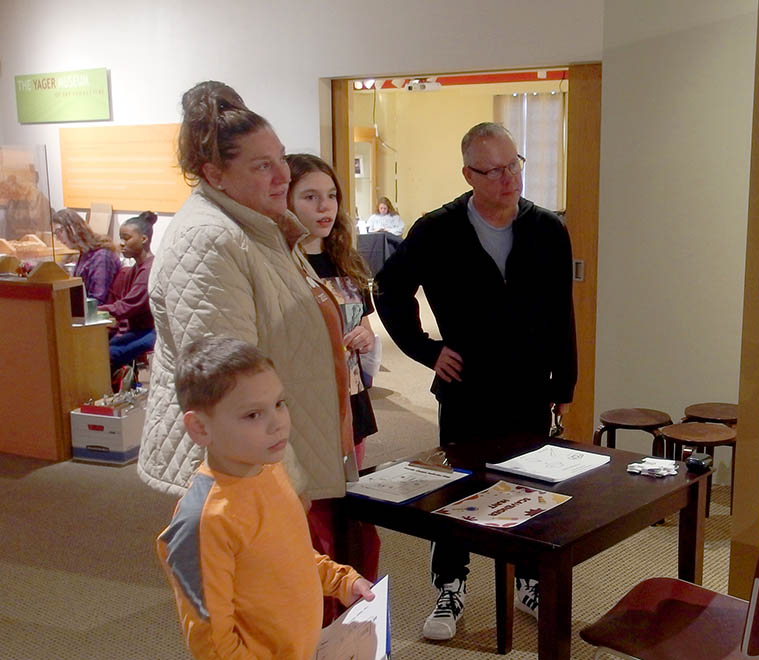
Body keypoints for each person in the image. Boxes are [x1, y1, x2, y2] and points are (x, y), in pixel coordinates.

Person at [375, 121, 576, 641]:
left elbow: (561, 312)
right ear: (468, 174)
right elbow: (390, 289)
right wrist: (426, 350)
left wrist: (565, 385)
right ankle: (451, 584)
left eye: (514, 165)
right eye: (493, 171)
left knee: (531, 485)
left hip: (531, 385)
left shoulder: (547, 229)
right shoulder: (437, 230)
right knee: (459, 486)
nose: (509, 179)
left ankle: (527, 578)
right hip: (467, 385)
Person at [141, 81, 355, 522]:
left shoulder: (260, 228)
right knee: (261, 588)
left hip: (272, 453)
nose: (283, 176)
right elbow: (235, 389)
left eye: (281, 158)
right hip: (248, 475)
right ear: (214, 173)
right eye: (263, 166)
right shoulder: (209, 240)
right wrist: (286, 485)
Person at [156, 336, 374, 659]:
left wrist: (341, 581)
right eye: (253, 415)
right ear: (201, 428)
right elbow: (213, 643)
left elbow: (292, 557)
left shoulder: (269, 469)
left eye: (279, 403)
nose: (278, 423)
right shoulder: (203, 521)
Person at [286, 152, 382, 621]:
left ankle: (355, 610)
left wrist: (366, 336)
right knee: (312, 517)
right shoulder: (279, 269)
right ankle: (317, 616)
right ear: (285, 202)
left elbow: (361, 328)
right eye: (309, 197)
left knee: (352, 507)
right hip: (306, 413)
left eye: (331, 196)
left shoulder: (344, 260)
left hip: (351, 407)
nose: (324, 207)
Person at [98, 211, 157, 370]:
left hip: (149, 332)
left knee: (105, 357)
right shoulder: (132, 270)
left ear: (144, 239)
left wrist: (92, 310)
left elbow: (127, 306)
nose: (121, 243)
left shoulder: (149, 269)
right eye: (120, 238)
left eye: (127, 238)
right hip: (135, 330)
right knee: (98, 348)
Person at [51, 208, 121, 304]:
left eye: (60, 231)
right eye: (55, 234)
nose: (58, 238)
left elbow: (97, 299)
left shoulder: (101, 256)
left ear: (74, 228)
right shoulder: (84, 253)